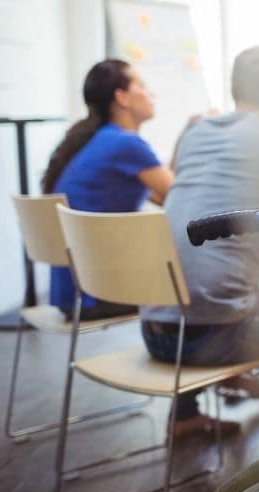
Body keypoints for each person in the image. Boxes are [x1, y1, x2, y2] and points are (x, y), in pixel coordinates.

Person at [133, 46, 259, 440]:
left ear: (234, 88)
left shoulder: (195, 131)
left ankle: (184, 413)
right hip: (215, 339)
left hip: (154, 331)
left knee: (224, 293)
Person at [41, 59, 181, 321]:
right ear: (122, 98)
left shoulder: (103, 139)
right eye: (142, 85)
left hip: (72, 294)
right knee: (197, 287)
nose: (151, 93)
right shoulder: (126, 144)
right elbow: (182, 196)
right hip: (97, 293)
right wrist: (190, 133)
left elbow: (165, 195)